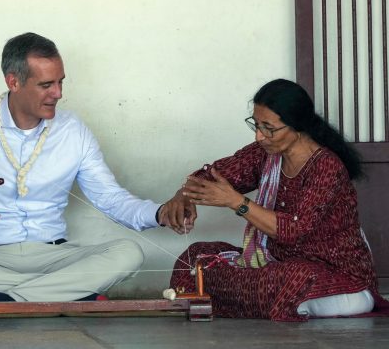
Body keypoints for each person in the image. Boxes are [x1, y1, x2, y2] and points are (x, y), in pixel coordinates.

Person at [0, 32, 163, 303]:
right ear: (13, 82)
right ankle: (68, 296)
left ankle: (1, 301)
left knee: (129, 253)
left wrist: (159, 213)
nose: (58, 93)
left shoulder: (73, 130)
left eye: (61, 82)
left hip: (55, 256)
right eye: (46, 85)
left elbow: (109, 198)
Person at [160, 78, 387, 321]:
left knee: (290, 277)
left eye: (269, 128)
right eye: (256, 125)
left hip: (337, 279)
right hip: (274, 264)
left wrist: (236, 202)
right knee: (197, 256)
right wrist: (182, 196)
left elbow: (292, 230)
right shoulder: (265, 153)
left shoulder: (326, 167)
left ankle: (256, 300)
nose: (260, 136)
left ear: (297, 126)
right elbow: (213, 174)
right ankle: (253, 298)